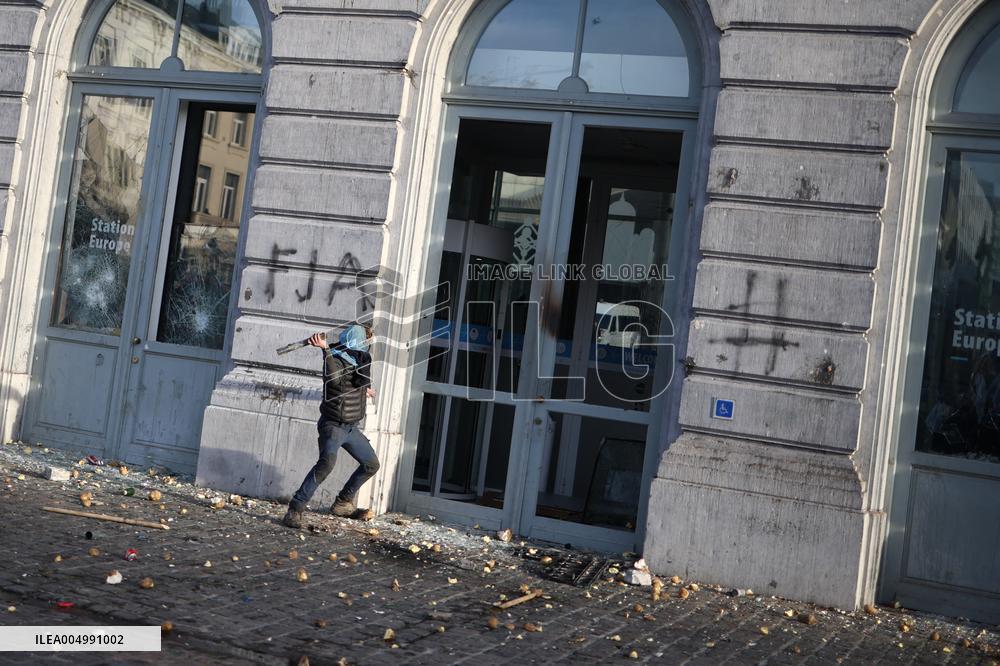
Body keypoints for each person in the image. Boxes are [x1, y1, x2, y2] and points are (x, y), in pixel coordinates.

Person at [282, 325, 378, 528]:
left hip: (351, 428)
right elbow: (334, 380)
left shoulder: (358, 363)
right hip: (333, 427)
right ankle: (294, 509)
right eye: (365, 341)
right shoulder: (334, 358)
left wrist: (364, 391)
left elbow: (353, 381)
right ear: (356, 341)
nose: (366, 346)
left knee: (371, 464)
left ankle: (343, 503)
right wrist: (324, 349)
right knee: (326, 465)